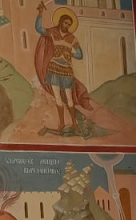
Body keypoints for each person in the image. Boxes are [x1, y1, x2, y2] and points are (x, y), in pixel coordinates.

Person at [34, 3, 90, 135]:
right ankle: (62, 123)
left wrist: (70, 53)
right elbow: (39, 28)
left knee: (69, 99)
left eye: (69, 24)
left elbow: (80, 55)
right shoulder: (52, 32)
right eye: (65, 23)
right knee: (58, 98)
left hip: (66, 70)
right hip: (53, 68)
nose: (67, 26)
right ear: (60, 22)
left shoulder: (72, 38)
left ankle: (74, 123)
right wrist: (40, 13)